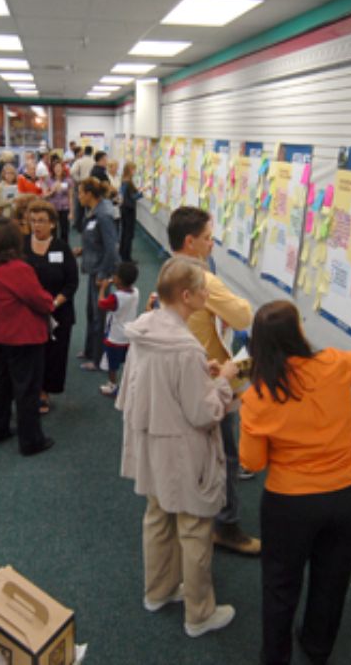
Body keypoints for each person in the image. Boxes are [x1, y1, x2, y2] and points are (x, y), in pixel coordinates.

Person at [240, 297, 351, 665]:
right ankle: (316, 647)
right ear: (297, 333)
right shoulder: (335, 364)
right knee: (332, 577)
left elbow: (252, 461)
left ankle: (276, 657)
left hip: (290, 504)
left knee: (281, 584)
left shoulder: (258, 394)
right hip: (348, 495)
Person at [118, 257, 239, 637]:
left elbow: (140, 390)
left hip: (151, 443)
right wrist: (226, 382)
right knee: (194, 527)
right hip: (184, 451)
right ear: (187, 296)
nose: (208, 294)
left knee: (157, 516)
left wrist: (203, 378)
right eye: (204, 288)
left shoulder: (145, 328)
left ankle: (159, 590)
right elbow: (203, 414)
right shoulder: (186, 348)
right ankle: (199, 614)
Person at [164, 206, 260, 556]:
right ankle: (227, 526)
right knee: (226, 455)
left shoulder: (166, 269)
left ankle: (195, 512)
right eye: (207, 238)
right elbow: (242, 315)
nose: (212, 244)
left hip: (178, 378)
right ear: (190, 242)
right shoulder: (204, 279)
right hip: (210, 377)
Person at [0, 217, 55, 457]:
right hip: (20, 336)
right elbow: (40, 300)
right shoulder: (18, 269)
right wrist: (50, 302)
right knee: (27, 389)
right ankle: (31, 441)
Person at [23, 200, 79, 415]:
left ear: (53, 224)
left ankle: (44, 392)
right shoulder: (22, 244)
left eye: (42, 221)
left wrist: (54, 303)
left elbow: (72, 283)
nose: (37, 225)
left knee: (53, 355)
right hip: (29, 313)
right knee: (30, 354)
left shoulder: (62, 249)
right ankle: (30, 390)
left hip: (59, 312)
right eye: (33, 220)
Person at [75, 177, 119, 371]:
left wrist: (103, 274)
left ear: (90, 194)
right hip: (94, 269)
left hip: (102, 272)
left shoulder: (103, 215)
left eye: (80, 192)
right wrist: (83, 250)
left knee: (99, 315)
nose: (78, 196)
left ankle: (97, 357)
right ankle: (89, 350)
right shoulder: (94, 211)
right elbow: (97, 241)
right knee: (91, 312)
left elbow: (111, 248)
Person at [97, 261, 139, 397]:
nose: (113, 277)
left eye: (115, 276)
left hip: (115, 337)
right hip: (129, 335)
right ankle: (130, 386)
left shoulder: (116, 297)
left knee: (112, 365)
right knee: (128, 362)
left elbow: (101, 303)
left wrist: (103, 288)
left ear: (119, 280)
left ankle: (112, 385)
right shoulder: (136, 292)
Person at [43, 155, 72, 242]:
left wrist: (71, 212)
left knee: (65, 231)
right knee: (53, 231)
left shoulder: (68, 180)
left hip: (65, 208)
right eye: (55, 167)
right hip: (53, 208)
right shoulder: (48, 180)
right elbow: (45, 196)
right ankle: (54, 249)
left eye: (59, 167)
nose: (58, 169)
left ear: (62, 168)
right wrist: (53, 190)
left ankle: (64, 249)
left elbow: (70, 197)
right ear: (52, 169)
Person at [119, 162, 143, 261]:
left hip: (124, 209)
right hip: (128, 210)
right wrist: (141, 192)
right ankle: (126, 257)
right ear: (129, 170)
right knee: (128, 233)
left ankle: (122, 253)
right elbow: (132, 197)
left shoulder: (124, 181)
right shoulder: (127, 182)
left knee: (125, 232)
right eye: (133, 169)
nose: (134, 171)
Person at [70, 145, 94, 231]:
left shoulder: (79, 161)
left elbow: (72, 172)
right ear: (92, 152)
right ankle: (89, 225)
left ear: (84, 152)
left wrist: (78, 179)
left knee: (79, 205)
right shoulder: (94, 162)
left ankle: (78, 225)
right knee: (90, 207)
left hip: (81, 185)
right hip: (91, 186)